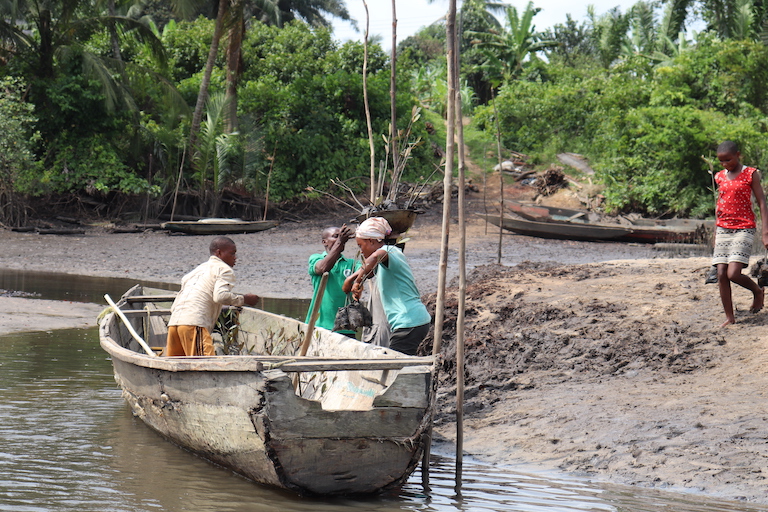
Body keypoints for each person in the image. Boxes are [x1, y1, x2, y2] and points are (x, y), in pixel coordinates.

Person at [343, 217, 431, 355]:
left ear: (371, 241)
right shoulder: (382, 262)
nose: (360, 251)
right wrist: (351, 279)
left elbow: (372, 259)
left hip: (409, 322)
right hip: (412, 322)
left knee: (396, 368)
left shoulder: (389, 251)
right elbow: (367, 270)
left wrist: (357, 282)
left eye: (360, 245)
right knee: (404, 365)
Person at [165, 236, 259, 356]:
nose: (235, 258)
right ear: (219, 253)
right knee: (204, 366)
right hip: (193, 323)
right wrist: (244, 299)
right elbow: (220, 296)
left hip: (174, 324)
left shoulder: (198, 270)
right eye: (232, 253)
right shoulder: (224, 270)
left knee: (177, 365)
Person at [712, 140, 768, 326]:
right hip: (723, 228)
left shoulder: (750, 174)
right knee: (721, 273)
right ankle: (729, 317)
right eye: (721, 161)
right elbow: (718, 205)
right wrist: (715, 231)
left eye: (728, 159)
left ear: (738, 155)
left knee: (733, 273)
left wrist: (765, 231)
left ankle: (757, 292)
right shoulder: (719, 176)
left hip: (744, 227)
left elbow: (761, 202)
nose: (725, 164)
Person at [306, 224, 360, 336]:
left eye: (341, 236)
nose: (340, 239)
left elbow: (368, 271)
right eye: (336, 236)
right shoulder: (316, 258)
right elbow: (323, 268)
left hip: (345, 328)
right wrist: (340, 242)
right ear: (324, 242)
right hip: (319, 325)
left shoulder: (351, 263)